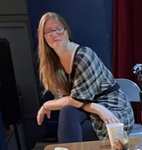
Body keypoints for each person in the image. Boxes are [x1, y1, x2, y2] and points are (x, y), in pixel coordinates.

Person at [35, 12, 134, 142]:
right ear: (43, 37)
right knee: (68, 112)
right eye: (48, 31)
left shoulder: (84, 56)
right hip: (92, 110)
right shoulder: (52, 64)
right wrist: (98, 108)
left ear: (66, 31)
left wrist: (47, 105)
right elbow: (70, 101)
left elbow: (75, 100)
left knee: (70, 113)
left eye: (58, 29)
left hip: (113, 111)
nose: (55, 34)